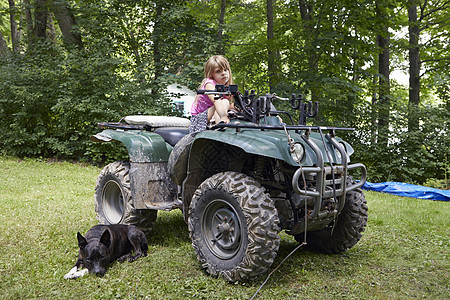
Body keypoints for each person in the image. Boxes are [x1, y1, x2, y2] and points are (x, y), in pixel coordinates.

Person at [189, 55, 234, 133]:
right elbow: (216, 101)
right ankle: (221, 127)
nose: (223, 73)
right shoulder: (209, 84)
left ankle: (221, 126)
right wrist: (223, 116)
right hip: (199, 121)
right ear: (211, 74)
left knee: (229, 105)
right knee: (223, 102)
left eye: (225, 70)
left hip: (212, 114)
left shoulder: (227, 87)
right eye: (218, 71)